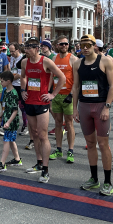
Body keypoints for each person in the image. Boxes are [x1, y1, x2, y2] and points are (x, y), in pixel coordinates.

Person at [73, 35, 113, 196]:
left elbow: (112, 85)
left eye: (87, 45)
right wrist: (75, 108)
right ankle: (94, 178)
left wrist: (107, 107)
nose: (84, 48)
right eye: (82, 45)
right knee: (90, 143)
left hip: (100, 106)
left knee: (103, 144)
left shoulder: (105, 61)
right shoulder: (78, 63)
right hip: (84, 106)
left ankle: (107, 181)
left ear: (94, 45)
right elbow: (76, 87)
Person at [21, 37, 66, 184]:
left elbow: (62, 77)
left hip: (42, 102)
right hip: (29, 101)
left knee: (42, 135)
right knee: (34, 134)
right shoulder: (24, 62)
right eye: (25, 47)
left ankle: (46, 170)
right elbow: (23, 76)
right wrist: (23, 90)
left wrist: (52, 94)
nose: (26, 50)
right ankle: (39, 162)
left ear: (36, 48)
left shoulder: (45, 61)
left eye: (28, 48)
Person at [49, 36, 78, 164]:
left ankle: (70, 151)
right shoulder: (53, 59)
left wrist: (72, 94)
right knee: (57, 123)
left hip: (68, 95)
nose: (64, 46)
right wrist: (49, 93)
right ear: (56, 45)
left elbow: (77, 80)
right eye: (61, 44)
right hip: (56, 95)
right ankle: (59, 149)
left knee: (69, 123)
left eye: (66, 44)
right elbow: (51, 76)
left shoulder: (73, 59)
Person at [0, 71, 23, 172]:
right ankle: (17, 159)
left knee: (6, 141)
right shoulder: (5, 91)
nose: (0, 83)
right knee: (11, 140)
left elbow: (15, 111)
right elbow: (4, 105)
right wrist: (1, 115)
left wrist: (8, 122)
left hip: (11, 122)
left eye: (2, 81)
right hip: (6, 119)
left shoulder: (14, 93)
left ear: (8, 81)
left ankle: (2, 163)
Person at [8, 43, 28, 136]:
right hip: (12, 84)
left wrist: (9, 79)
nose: (11, 53)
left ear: (18, 50)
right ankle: (12, 123)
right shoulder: (12, 58)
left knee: (22, 106)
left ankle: (25, 125)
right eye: (10, 51)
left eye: (13, 51)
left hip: (20, 85)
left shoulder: (22, 59)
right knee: (12, 105)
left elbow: (20, 75)